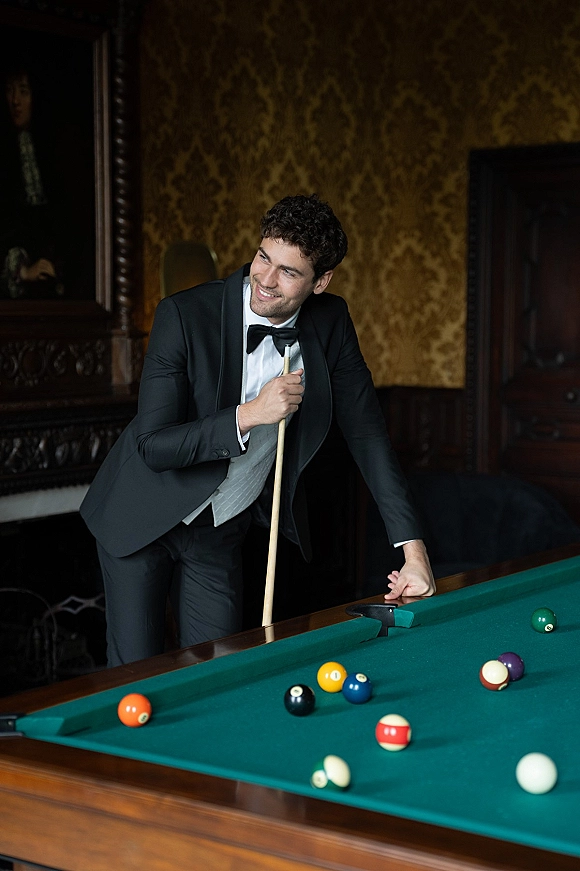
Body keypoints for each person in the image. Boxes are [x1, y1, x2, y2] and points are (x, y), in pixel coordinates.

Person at [80, 194, 435, 666]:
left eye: (288, 272)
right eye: (263, 258)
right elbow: (152, 447)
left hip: (223, 525)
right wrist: (250, 414)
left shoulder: (330, 322)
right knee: (135, 674)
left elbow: (368, 436)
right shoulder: (184, 315)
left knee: (218, 670)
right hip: (142, 513)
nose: (265, 281)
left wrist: (413, 550)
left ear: (321, 282)